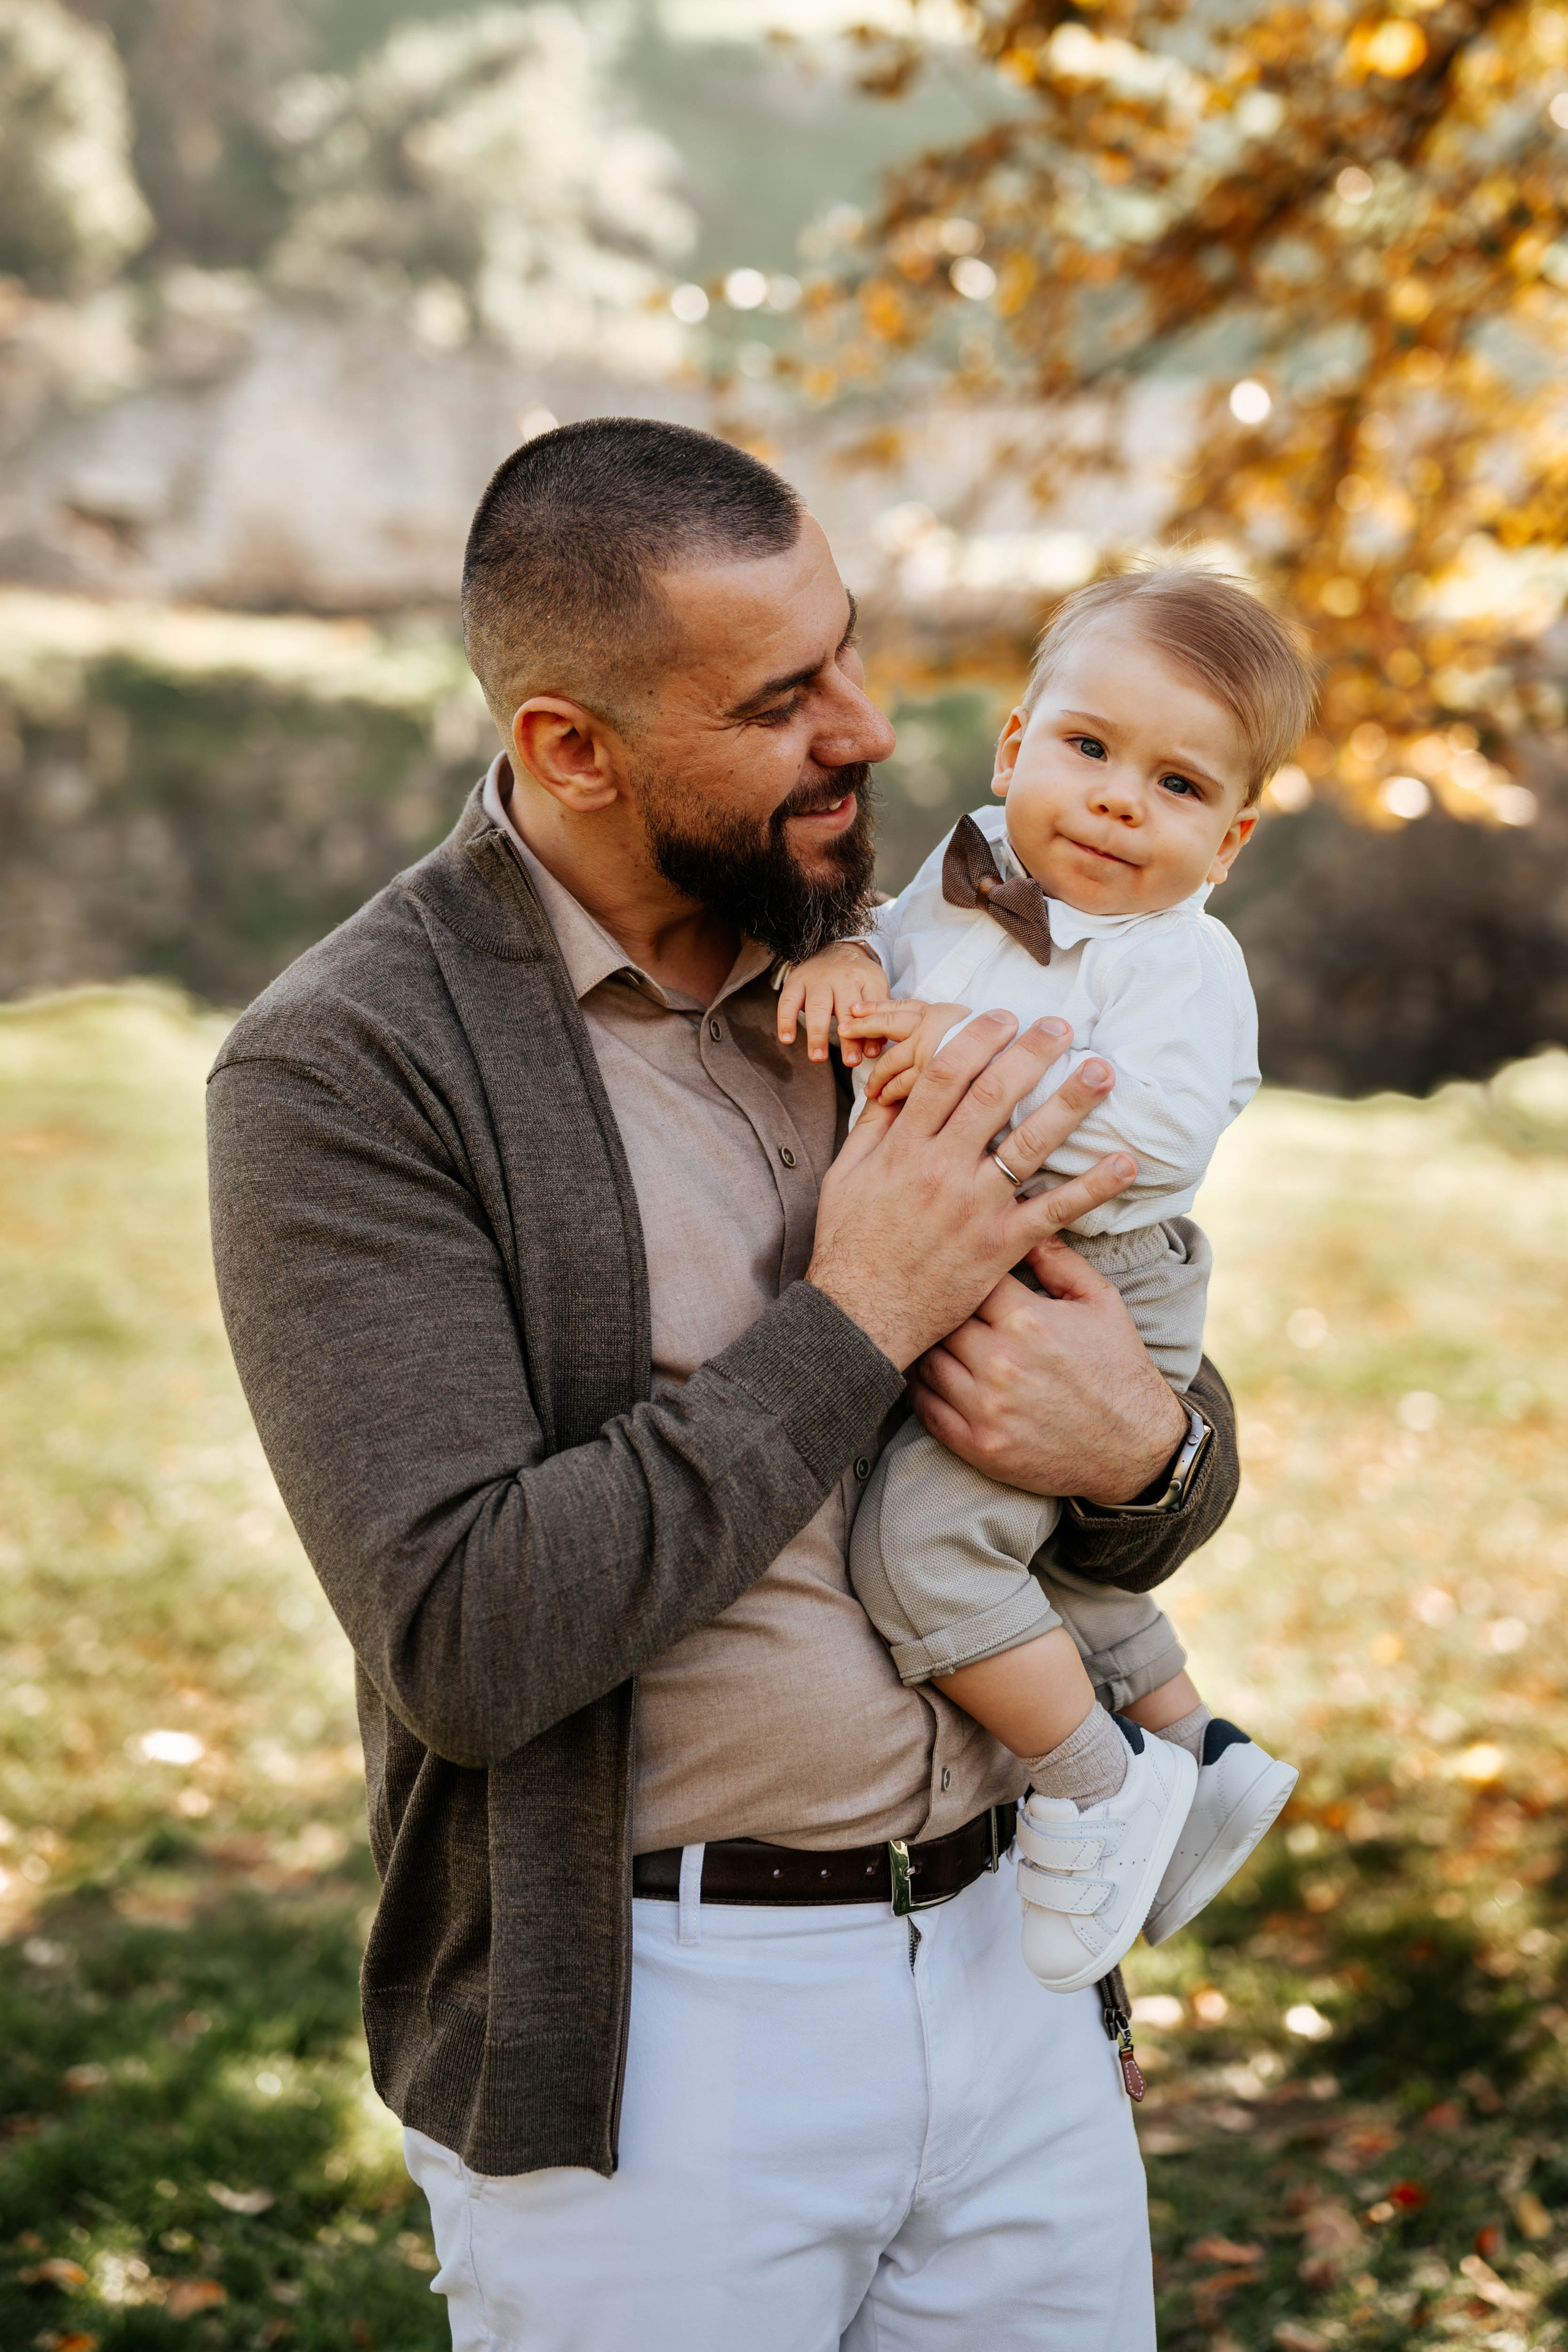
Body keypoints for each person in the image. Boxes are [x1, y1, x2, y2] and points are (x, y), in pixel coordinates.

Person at [206, 419, 1242, 2352]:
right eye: (781, 698)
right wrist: (854, 1314)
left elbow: (1119, 1398)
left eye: (847, 648)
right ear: (570, 745)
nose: (863, 728)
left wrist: (1159, 1454)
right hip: (660, 2057)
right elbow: (466, 1632)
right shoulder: (348, 1074)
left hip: (1015, 1983)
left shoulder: (893, 935)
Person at [777, 567, 1308, 1999]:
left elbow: (1151, 1135)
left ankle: (1092, 1781)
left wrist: (950, 1051)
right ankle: (1200, 1753)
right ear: (1013, 746)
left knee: (926, 1548)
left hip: (1092, 1277)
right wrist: (839, 960)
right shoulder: (957, 874)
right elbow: (884, 966)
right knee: (1036, 1548)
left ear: (1228, 840)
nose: (1118, 799)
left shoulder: (1181, 964)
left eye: (1177, 783)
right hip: (981, 1248)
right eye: (1087, 748)